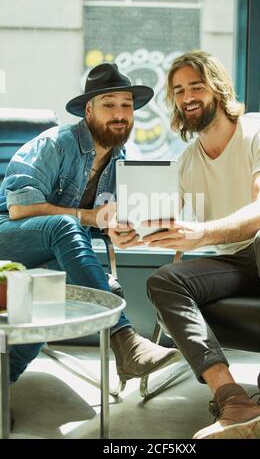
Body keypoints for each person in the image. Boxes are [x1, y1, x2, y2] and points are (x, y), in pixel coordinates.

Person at [109, 51, 260, 439]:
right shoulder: (187, 162)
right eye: (178, 90)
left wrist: (202, 233)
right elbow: (164, 223)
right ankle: (232, 400)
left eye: (196, 85)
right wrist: (126, 230)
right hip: (235, 263)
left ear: (218, 88)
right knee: (164, 279)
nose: (186, 96)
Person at [0, 62, 179, 390]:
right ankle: (126, 340)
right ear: (88, 109)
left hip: (55, 250)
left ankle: (3, 380)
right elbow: (20, 208)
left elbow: (103, 219)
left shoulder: (119, 159)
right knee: (65, 226)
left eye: (127, 105)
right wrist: (88, 218)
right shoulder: (54, 144)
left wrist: (119, 228)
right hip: (8, 236)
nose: (120, 114)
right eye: (109, 105)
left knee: (51, 284)